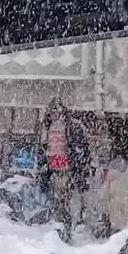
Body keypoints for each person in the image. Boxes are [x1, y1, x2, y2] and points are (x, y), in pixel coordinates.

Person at [37, 97, 92, 242]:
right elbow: (42, 151)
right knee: (59, 203)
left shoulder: (73, 127)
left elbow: (82, 151)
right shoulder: (45, 129)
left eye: (57, 112)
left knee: (72, 203)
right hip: (54, 171)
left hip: (70, 171)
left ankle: (74, 233)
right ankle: (61, 233)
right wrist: (44, 171)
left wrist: (81, 172)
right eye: (52, 113)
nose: (54, 116)